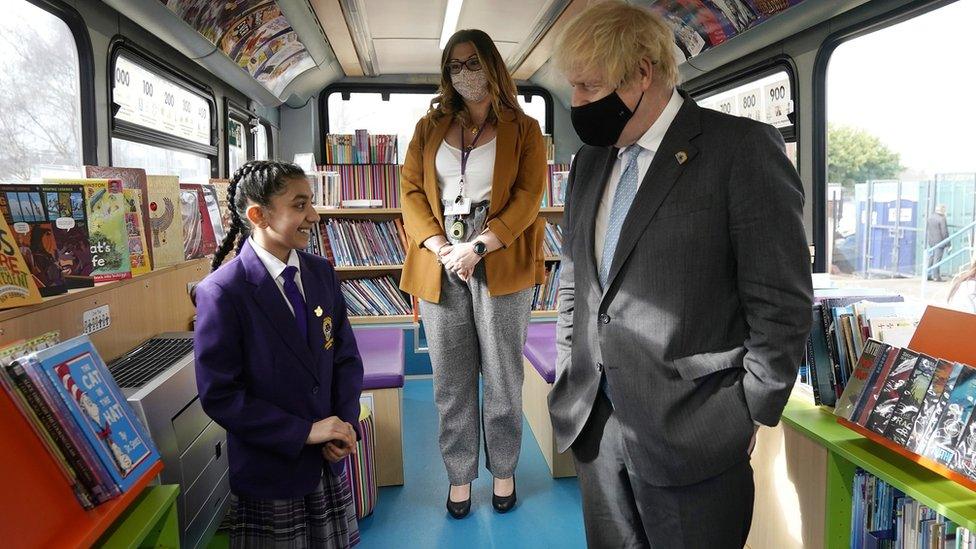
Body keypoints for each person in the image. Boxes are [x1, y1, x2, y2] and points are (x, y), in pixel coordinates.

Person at [547, 2, 813, 547]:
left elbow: (781, 305)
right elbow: (577, 281)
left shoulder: (740, 151)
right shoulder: (589, 164)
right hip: (595, 427)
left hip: (697, 434)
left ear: (644, 73)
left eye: (590, 87)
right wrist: (567, 368)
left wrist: (748, 413)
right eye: (573, 87)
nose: (577, 104)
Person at [399, 29, 547, 519]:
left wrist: (480, 245)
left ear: (492, 64)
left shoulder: (523, 129)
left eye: (472, 63)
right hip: (441, 254)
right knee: (451, 379)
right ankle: (459, 477)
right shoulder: (429, 126)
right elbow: (412, 192)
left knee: (503, 375)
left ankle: (503, 470)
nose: (465, 74)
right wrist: (442, 246)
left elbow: (528, 197)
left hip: (499, 252)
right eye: (455, 66)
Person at [193, 160, 364, 548]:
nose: (314, 216)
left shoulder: (321, 273)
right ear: (258, 215)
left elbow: (345, 359)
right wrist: (304, 432)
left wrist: (345, 424)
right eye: (300, 205)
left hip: (326, 462)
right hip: (272, 471)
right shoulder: (223, 292)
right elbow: (221, 395)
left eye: (312, 203)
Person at [927, 204, 950, 282]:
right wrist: (948, 243)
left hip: (931, 242)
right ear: (943, 210)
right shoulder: (942, 218)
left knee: (931, 258)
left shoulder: (930, 217)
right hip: (939, 242)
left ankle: (927, 275)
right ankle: (936, 277)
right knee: (937, 260)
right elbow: (944, 232)